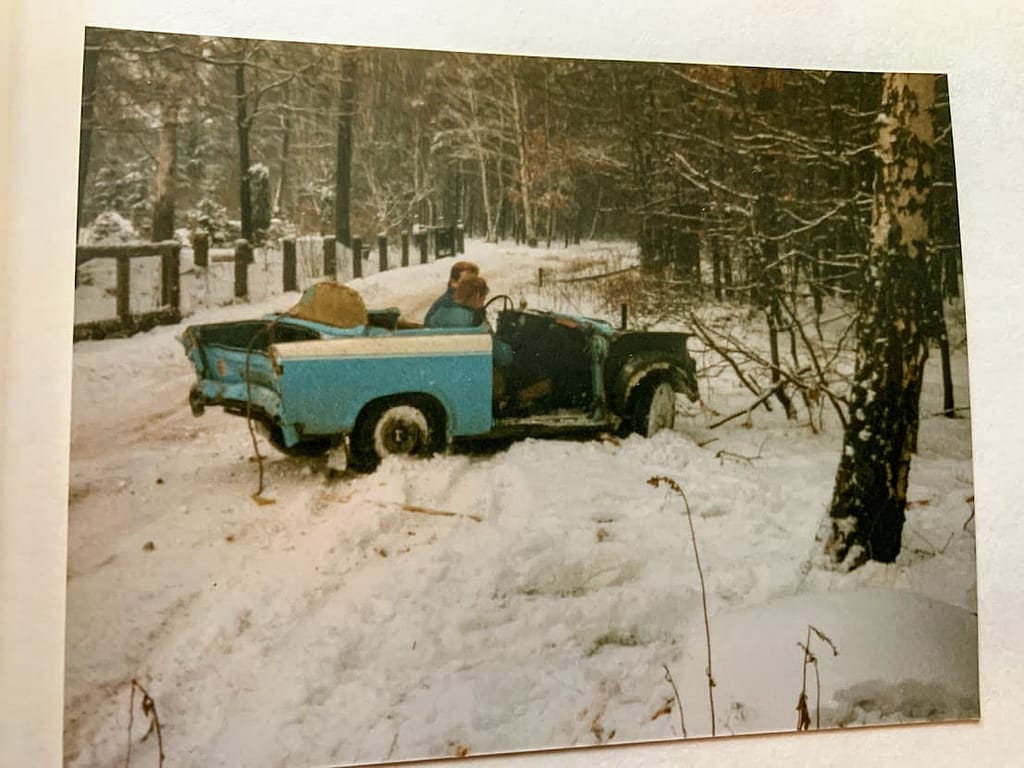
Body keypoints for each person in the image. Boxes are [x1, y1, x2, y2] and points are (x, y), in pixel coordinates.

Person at [423, 260, 479, 326]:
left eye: (474, 281)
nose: (472, 285)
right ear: (453, 282)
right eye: (466, 282)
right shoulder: (449, 305)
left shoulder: (468, 302)